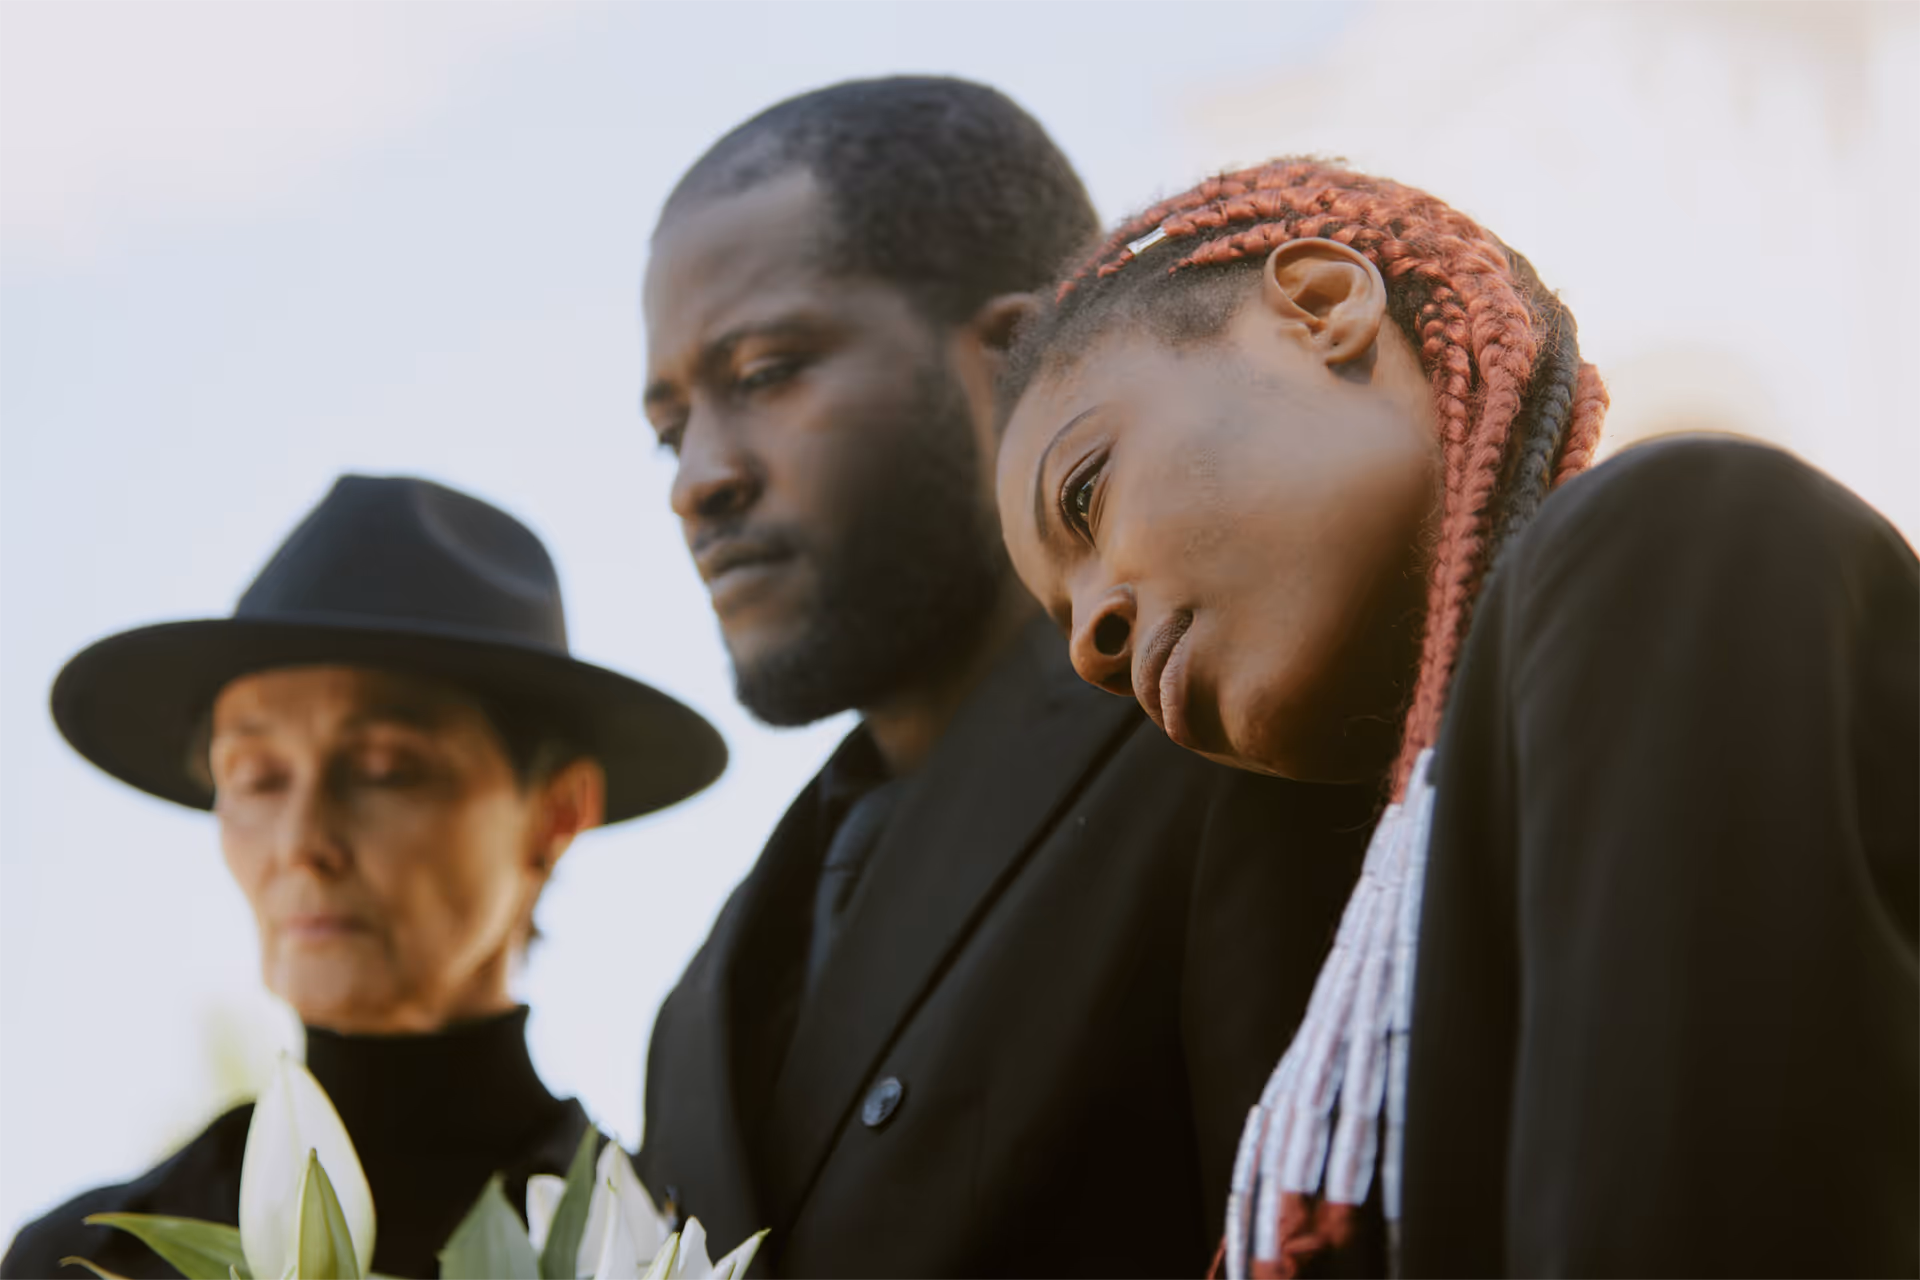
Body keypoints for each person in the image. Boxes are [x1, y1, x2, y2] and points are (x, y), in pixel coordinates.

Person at [994, 157, 1920, 1278]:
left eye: (1085, 492)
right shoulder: (1403, 900)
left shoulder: (1670, 545)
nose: (1092, 638)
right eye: (1063, 616)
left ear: (1325, 308)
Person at [635, 79, 1373, 1279]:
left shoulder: (1226, 728)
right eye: (670, 429)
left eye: (766, 372)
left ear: (1015, 358)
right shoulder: (697, 1008)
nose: (697, 480)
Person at [4, 475, 725, 1280]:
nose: (303, 841)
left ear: (556, 814)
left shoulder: (648, 1253)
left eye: (384, 769)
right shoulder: (84, 1262)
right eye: (255, 777)